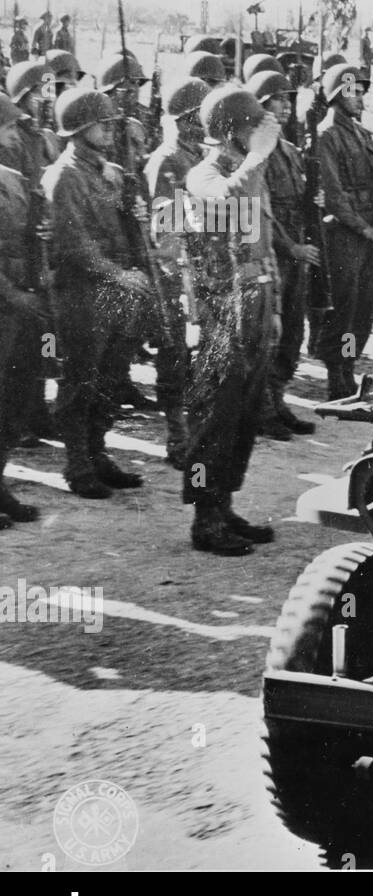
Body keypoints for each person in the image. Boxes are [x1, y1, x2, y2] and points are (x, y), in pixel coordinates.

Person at [182, 87, 281, 555]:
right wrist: (257, 157)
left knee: (244, 416)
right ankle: (205, 518)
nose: (259, 134)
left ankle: (224, 504)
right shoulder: (203, 174)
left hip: (256, 302)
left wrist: (274, 307)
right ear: (229, 131)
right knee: (216, 418)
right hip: (223, 307)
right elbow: (224, 203)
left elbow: (265, 244)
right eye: (251, 126)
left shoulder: (251, 172)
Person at [44, 90, 152, 499]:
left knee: (110, 378)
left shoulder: (106, 172)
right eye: (102, 123)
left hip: (117, 290)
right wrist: (119, 275)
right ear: (78, 129)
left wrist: (133, 210)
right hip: (83, 293)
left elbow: (121, 228)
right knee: (81, 381)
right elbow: (75, 244)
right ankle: (77, 464)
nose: (109, 128)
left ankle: (97, 452)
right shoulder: (65, 176)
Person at [247, 70, 320, 436]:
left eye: (289, 100)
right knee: (269, 334)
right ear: (261, 105)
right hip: (277, 251)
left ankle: (277, 400)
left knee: (293, 331)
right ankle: (261, 409)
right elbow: (264, 210)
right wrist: (291, 246)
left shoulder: (289, 151)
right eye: (278, 100)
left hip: (296, 250)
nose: (286, 107)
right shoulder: (256, 152)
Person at [142, 77, 211, 467]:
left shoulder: (198, 157)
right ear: (186, 120)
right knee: (176, 356)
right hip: (177, 274)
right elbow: (163, 226)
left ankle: (194, 428)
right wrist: (180, 272)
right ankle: (176, 434)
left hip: (203, 270)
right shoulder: (165, 160)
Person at [316, 63, 373, 398]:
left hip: (368, 233)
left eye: (362, 92)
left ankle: (349, 365)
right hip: (346, 235)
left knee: (364, 311)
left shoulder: (361, 134)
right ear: (335, 95)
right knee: (344, 312)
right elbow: (333, 195)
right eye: (352, 92)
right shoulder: (327, 135)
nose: (359, 98)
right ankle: (338, 375)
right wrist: (365, 229)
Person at [0, 95, 51, 524]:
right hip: (7, 300)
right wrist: (16, 295)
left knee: (12, 401)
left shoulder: (15, 180)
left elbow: (33, 240)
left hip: (19, 306)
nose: (14, 135)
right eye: (7, 127)